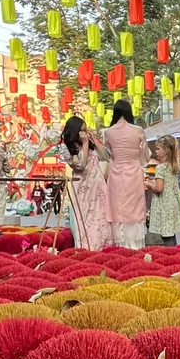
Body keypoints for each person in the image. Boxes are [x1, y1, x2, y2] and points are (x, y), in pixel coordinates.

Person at [58, 115, 112, 250]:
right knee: (84, 222)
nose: (84, 133)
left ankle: (102, 249)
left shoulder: (91, 144)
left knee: (101, 220)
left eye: (85, 130)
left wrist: (93, 139)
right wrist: (85, 144)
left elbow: (106, 156)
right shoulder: (67, 148)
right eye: (81, 130)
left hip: (97, 187)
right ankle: (86, 250)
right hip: (82, 189)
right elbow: (81, 164)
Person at [103, 100, 150, 248]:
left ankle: (120, 246)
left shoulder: (107, 132)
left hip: (116, 172)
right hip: (134, 172)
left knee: (117, 209)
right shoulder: (138, 130)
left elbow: (108, 155)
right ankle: (135, 246)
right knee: (135, 209)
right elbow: (145, 156)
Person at [146, 135, 180, 246]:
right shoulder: (173, 166)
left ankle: (170, 257)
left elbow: (159, 188)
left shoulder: (161, 168)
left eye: (158, 149)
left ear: (166, 151)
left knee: (166, 237)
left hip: (163, 205)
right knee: (171, 234)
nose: (156, 151)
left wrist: (149, 184)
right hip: (172, 203)